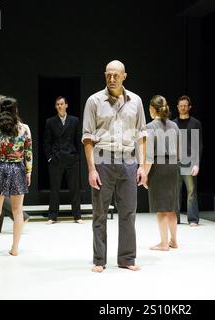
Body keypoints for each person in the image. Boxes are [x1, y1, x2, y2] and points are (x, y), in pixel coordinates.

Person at [82, 60, 147, 272]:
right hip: (102, 161)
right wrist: (92, 169)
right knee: (99, 213)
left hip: (128, 161)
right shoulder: (94, 101)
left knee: (128, 212)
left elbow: (141, 135)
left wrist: (142, 166)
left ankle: (127, 259)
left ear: (124, 76)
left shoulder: (136, 101)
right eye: (108, 75)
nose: (112, 79)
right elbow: (88, 138)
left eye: (116, 75)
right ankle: (99, 260)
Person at [0, 97, 32, 258]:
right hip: (18, 169)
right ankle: (15, 248)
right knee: (18, 212)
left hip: (0, 168)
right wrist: (29, 172)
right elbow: (28, 153)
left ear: (1, 110)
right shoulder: (24, 128)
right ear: (16, 110)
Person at [144, 95, 180, 251]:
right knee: (171, 207)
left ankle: (164, 243)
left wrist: (144, 175)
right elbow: (179, 153)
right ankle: (174, 241)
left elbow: (149, 156)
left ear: (152, 109)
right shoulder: (175, 126)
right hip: (173, 167)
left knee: (161, 208)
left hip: (158, 167)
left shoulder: (149, 127)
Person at [44, 96, 83, 224]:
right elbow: (47, 142)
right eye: (57, 104)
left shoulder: (74, 120)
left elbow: (78, 140)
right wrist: (50, 157)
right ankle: (52, 216)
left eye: (62, 104)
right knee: (54, 188)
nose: (60, 106)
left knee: (74, 188)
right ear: (56, 107)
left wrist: (77, 156)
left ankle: (77, 216)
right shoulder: (50, 121)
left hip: (72, 158)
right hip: (57, 158)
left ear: (66, 105)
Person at [172, 95, 202, 226]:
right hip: (175, 161)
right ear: (177, 107)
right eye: (180, 105)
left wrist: (197, 163)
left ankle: (193, 219)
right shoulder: (173, 124)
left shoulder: (195, 123)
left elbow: (199, 145)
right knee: (175, 191)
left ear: (189, 107)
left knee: (191, 191)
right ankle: (175, 219)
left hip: (189, 161)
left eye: (185, 105)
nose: (183, 108)